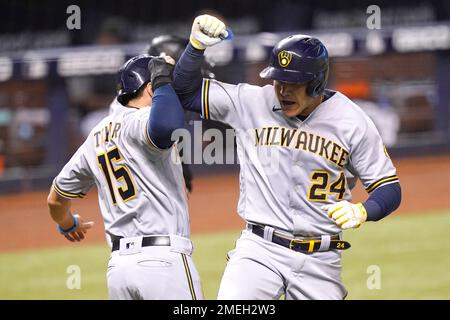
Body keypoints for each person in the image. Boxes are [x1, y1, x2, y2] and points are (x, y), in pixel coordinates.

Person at [172, 14, 402, 299]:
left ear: (316, 82)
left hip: (320, 258)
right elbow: (185, 92)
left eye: (293, 83)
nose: (282, 90)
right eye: (278, 80)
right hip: (259, 250)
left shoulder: (351, 121)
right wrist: (195, 47)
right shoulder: (252, 102)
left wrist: (363, 211)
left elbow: (389, 187)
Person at [46, 54, 203, 300]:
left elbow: (55, 200)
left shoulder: (95, 137)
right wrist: (163, 75)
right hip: (163, 263)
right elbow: (166, 127)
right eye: (163, 87)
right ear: (151, 89)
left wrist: (68, 224)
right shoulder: (140, 122)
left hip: (119, 270)